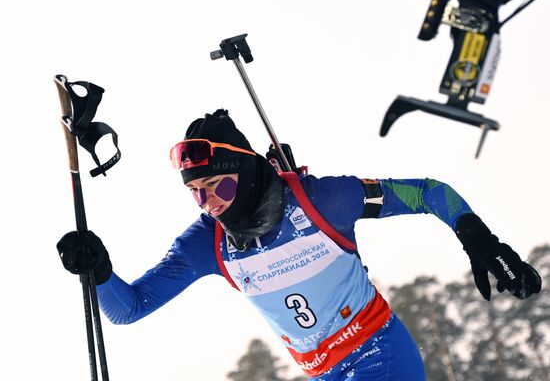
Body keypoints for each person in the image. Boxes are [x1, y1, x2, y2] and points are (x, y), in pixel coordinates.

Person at [57, 109, 541, 381]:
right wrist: (98, 271)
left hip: (380, 355)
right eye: (197, 194)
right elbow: (129, 309)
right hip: (323, 373)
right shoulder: (207, 244)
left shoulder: (320, 201)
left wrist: (479, 239)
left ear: (247, 173)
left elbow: (427, 191)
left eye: (220, 188)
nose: (211, 206)